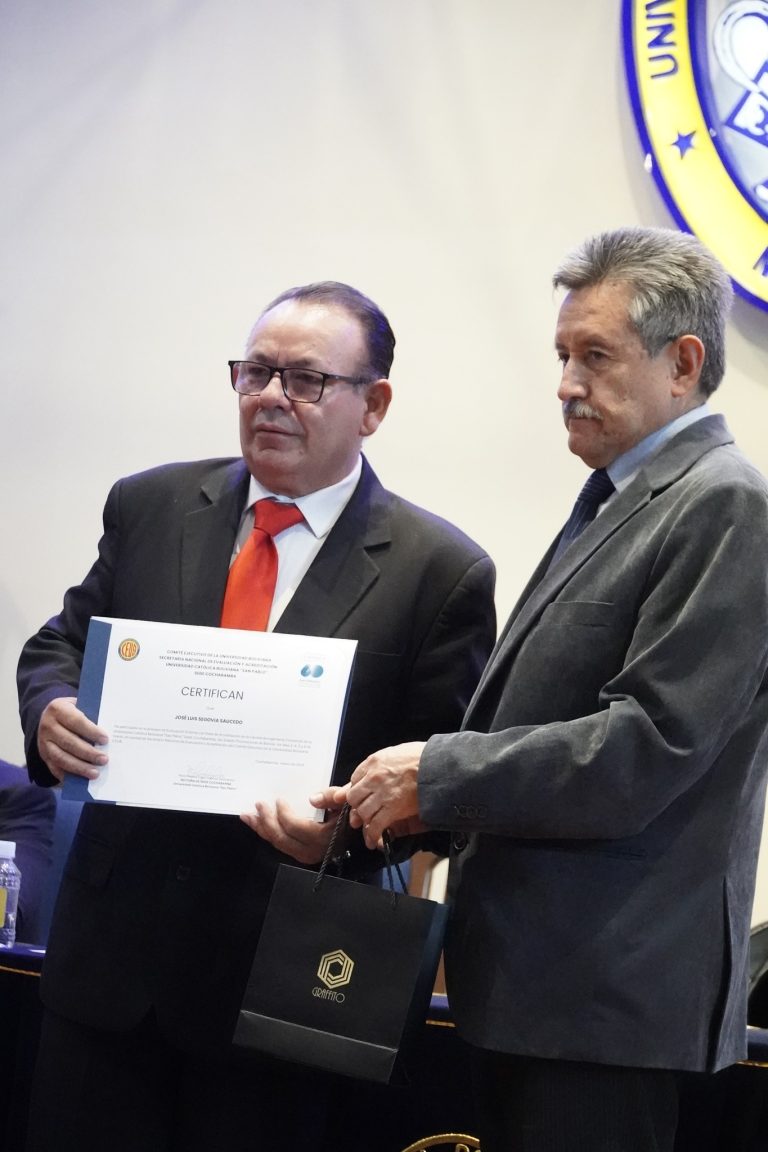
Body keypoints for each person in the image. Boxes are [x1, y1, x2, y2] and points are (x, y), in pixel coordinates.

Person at [16, 281, 496, 1152]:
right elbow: (62, 642)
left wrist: (343, 837)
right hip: (107, 979)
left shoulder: (439, 571)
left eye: (306, 380)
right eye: (256, 372)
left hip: (277, 996)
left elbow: (439, 793)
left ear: (374, 406)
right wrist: (50, 707)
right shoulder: (152, 505)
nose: (271, 396)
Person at [323, 229, 768, 1152]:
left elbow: (646, 747)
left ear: (683, 364)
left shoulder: (724, 504)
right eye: (563, 355)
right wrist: (390, 808)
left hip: (605, 1010)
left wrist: (436, 776)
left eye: (595, 356)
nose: (566, 383)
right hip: (544, 995)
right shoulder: (622, 495)